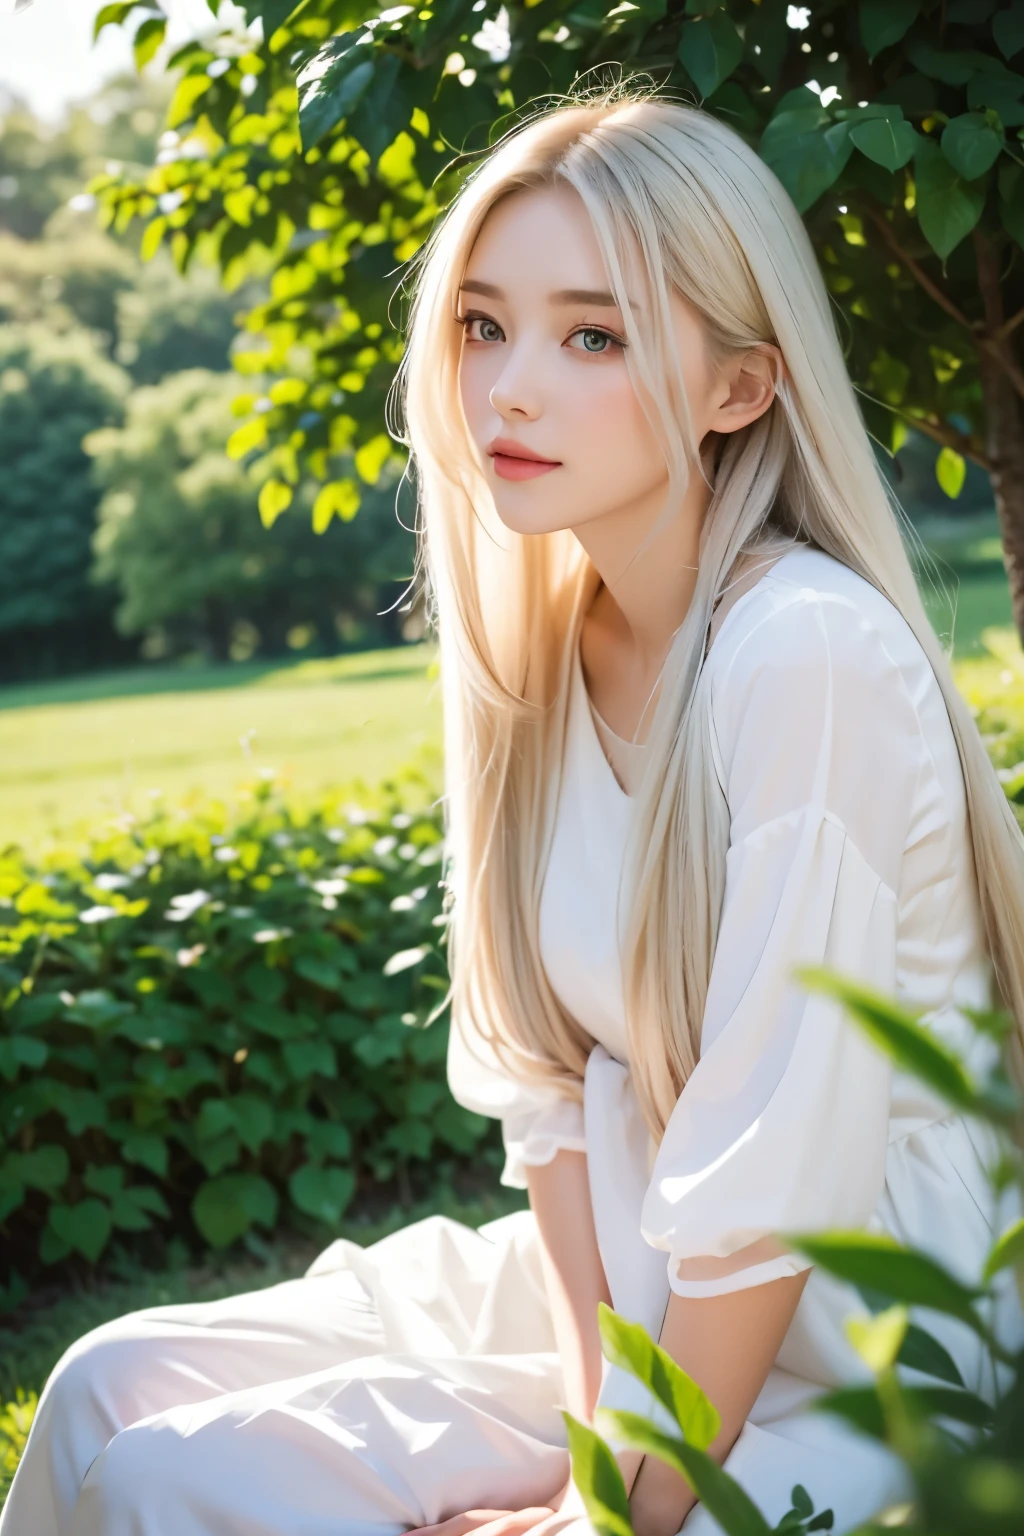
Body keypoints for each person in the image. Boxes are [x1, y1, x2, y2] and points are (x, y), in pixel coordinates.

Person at [4, 81, 1024, 1536]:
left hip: (859, 1346)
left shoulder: (809, 655)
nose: (508, 389)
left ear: (742, 387)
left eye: (591, 334)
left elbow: (773, 1198)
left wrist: (609, 1511)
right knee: (107, 1382)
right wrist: (589, 1402)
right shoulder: (542, 646)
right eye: (483, 325)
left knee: (181, 1482)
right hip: (633, 1274)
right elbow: (548, 1102)